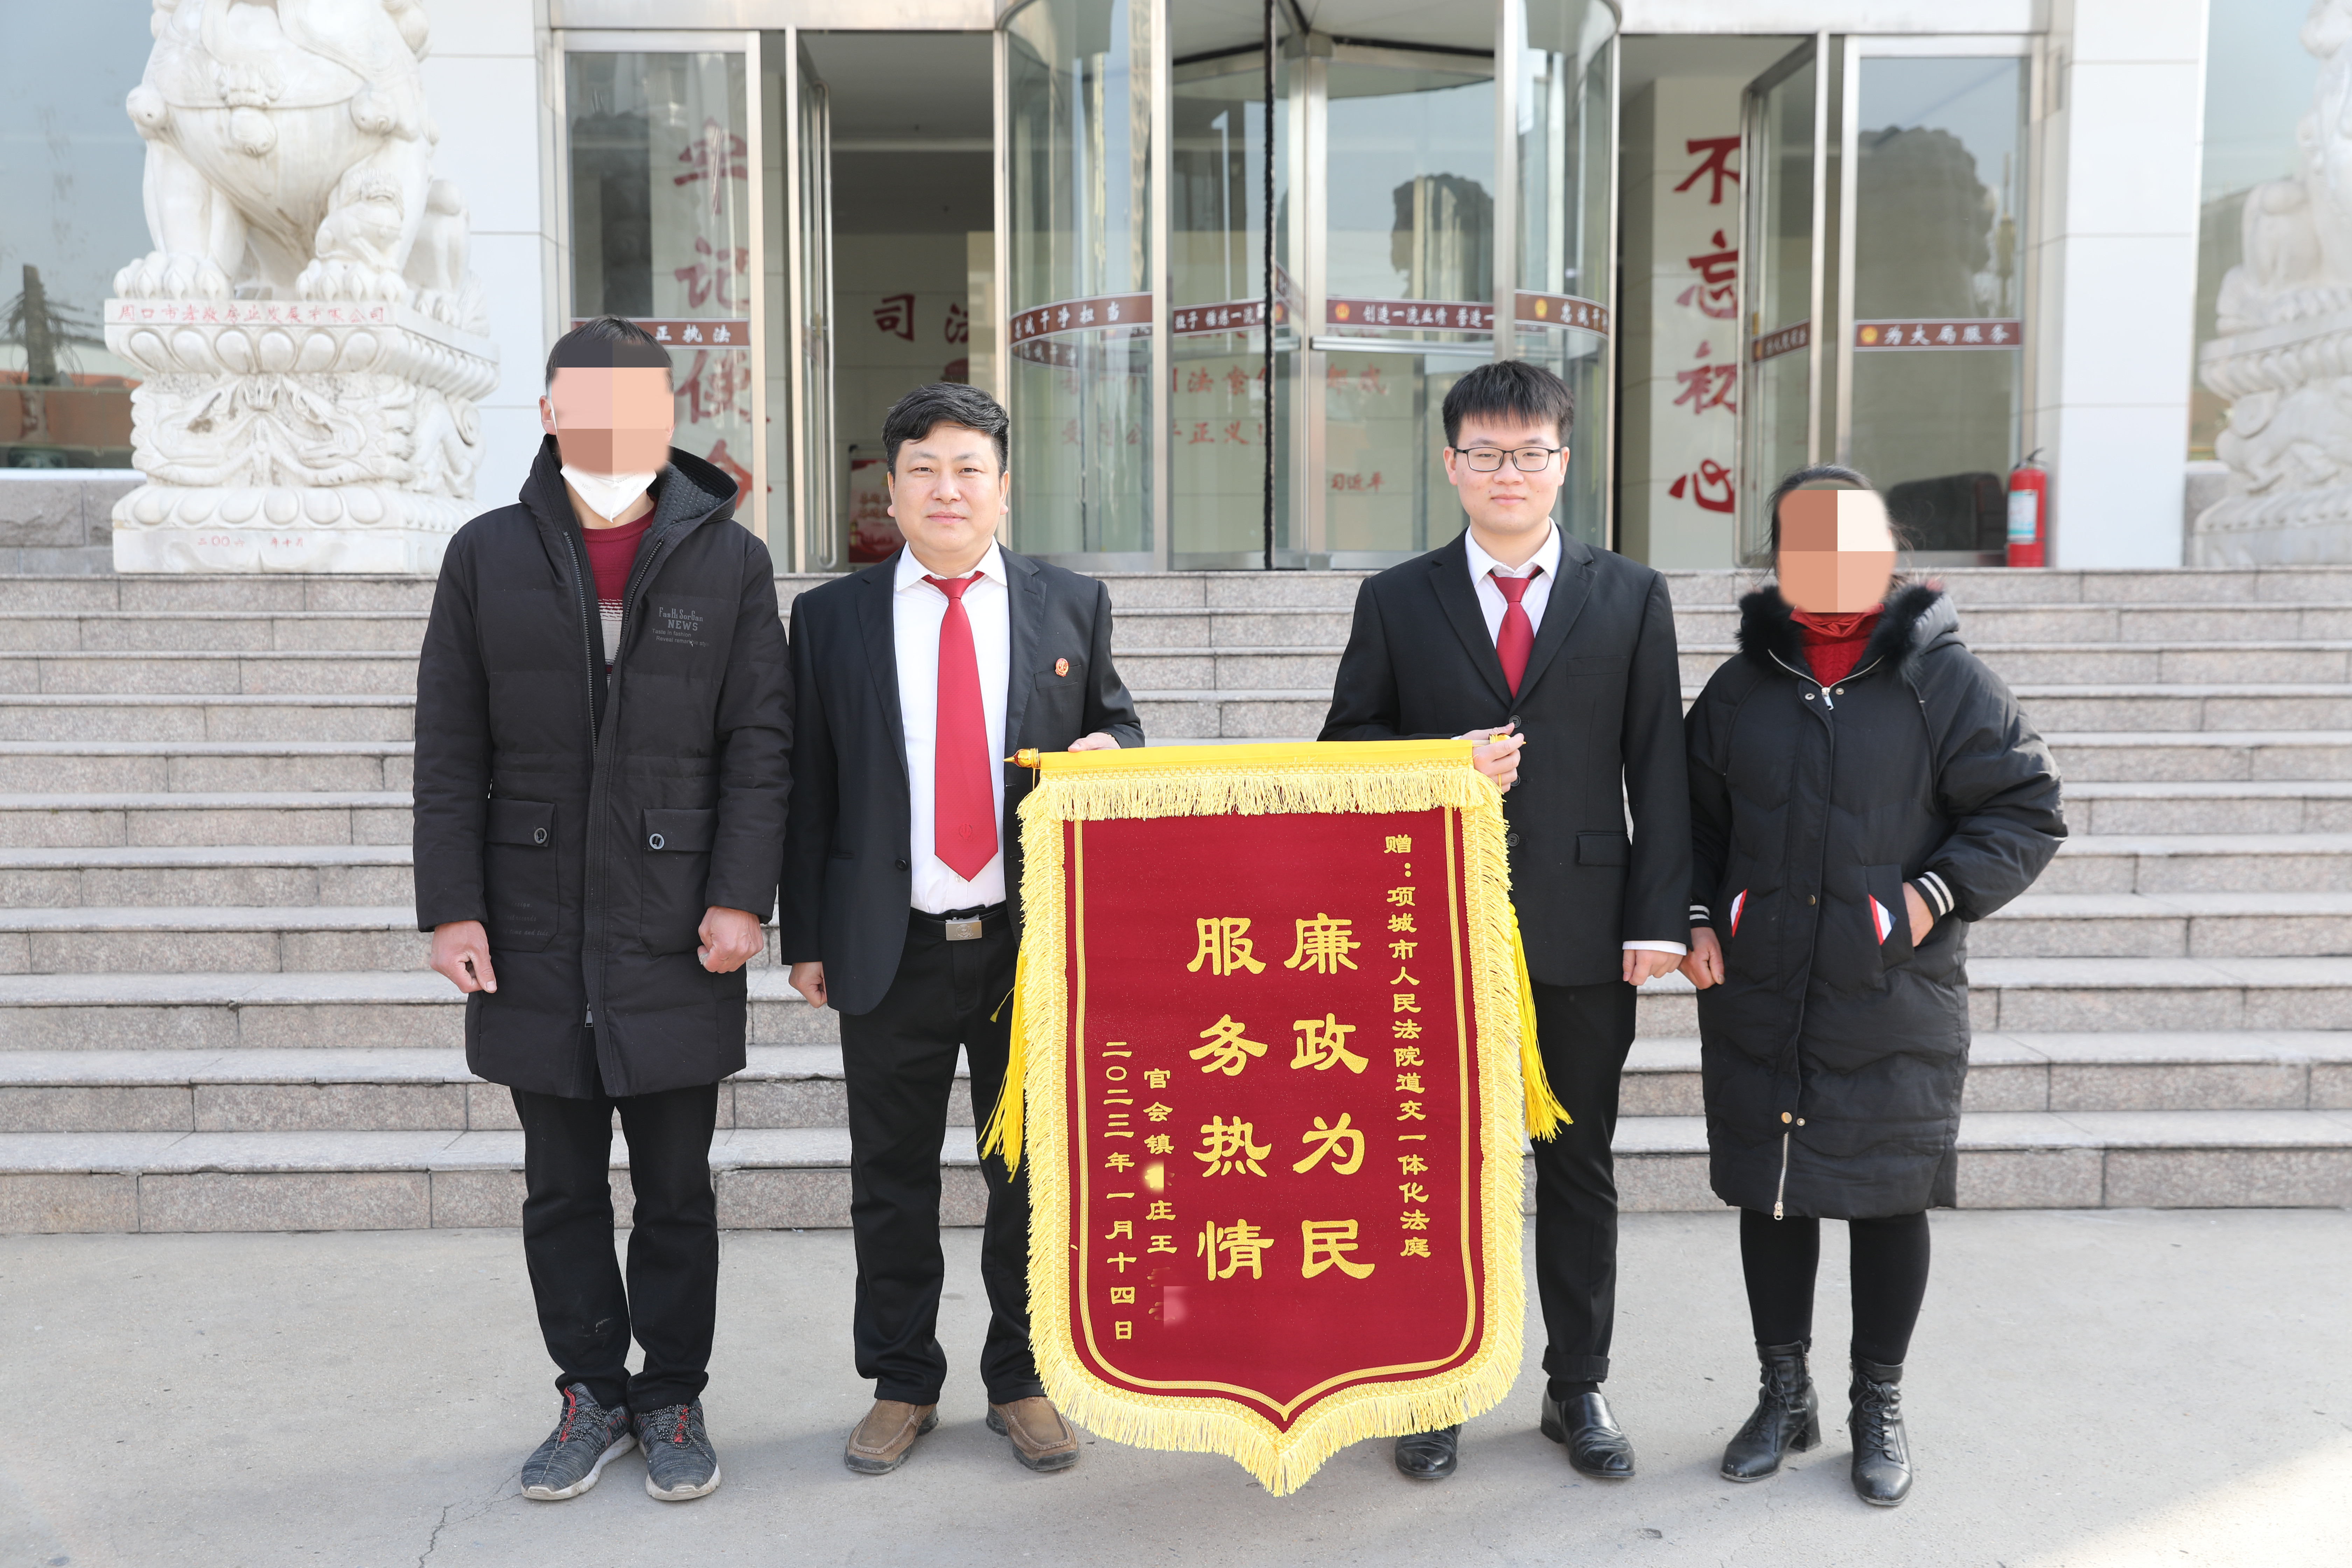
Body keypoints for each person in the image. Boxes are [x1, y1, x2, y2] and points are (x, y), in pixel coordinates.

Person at [412, 315, 792, 1504]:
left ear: (670, 419)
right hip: (529, 921)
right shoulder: (486, 553)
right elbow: (448, 745)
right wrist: (453, 907)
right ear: (549, 415)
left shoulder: (731, 560)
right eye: (592, 405)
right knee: (561, 1188)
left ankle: (671, 1395)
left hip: (676, 924)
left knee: (677, 1188)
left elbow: (761, 746)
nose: (618, 428)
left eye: (642, 407)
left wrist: (741, 896)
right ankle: (590, 1392)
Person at [1319, 358, 1692, 1483]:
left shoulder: (1631, 595)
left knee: (1578, 1164)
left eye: (1530, 453)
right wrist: (1443, 761)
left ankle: (1578, 1387)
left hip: (1583, 928)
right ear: (1452, 465)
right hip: (1432, 930)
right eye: (1485, 453)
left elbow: (1659, 767)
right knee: (1439, 1169)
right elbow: (1342, 755)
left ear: (1563, 463)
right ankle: (1435, 1387)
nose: (1508, 473)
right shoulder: (1398, 599)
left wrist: (1659, 918)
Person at [1680, 465, 2064, 1507]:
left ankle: (1876, 1403)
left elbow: (2026, 807)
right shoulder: (1741, 688)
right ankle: (1784, 1394)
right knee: (1773, 1193)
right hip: (1763, 987)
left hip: (1891, 987)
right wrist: (1704, 916)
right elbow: (1694, 826)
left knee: (1891, 1198)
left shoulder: (1948, 681)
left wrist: (1930, 898)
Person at [781, 382, 1144, 1477]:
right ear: (891, 492)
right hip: (886, 942)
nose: (948, 489)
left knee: (1028, 1176)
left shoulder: (1070, 603)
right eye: (924, 470)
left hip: (1026, 947)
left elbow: (1117, 724)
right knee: (888, 1176)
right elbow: (809, 787)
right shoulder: (832, 619)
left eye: (969, 469)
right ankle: (902, 1382)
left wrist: (1111, 751)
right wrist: (808, 937)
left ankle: (1022, 1377)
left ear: (1003, 488)